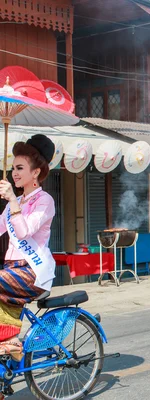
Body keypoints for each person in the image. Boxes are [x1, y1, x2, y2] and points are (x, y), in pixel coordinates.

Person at [0, 135, 56, 360]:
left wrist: (12, 200)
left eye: (20, 167)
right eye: (13, 167)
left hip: (32, 272)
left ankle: (11, 340)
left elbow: (24, 232)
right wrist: (13, 202)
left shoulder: (44, 201)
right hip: (12, 269)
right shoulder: (17, 202)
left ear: (36, 172)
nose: (14, 173)